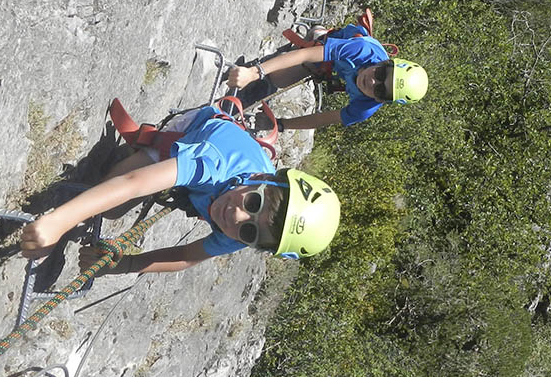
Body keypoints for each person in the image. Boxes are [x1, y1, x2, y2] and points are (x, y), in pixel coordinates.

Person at [18, 104, 341, 272]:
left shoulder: (245, 234)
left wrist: (126, 265)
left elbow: (188, 256)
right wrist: (59, 222)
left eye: (248, 233)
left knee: (111, 209)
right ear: (262, 180)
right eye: (254, 203)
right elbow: (133, 183)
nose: (237, 217)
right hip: (193, 131)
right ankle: (150, 148)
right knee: (112, 200)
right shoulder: (214, 164)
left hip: (208, 184)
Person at [222, 22, 428, 130]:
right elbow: (304, 54)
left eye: (381, 89)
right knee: (285, 73)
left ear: (381, 100)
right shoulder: (362, 50)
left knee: (283, 78)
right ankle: (320, 33)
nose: (373, 81)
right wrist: (254, 72)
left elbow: (325, 118)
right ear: (384, 62)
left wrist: (281, 124)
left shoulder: (366, 108)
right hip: (333, 48)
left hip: (337, 67)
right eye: (382, 72)